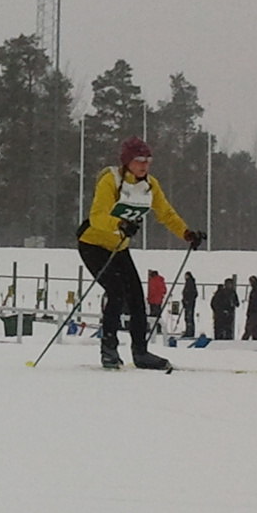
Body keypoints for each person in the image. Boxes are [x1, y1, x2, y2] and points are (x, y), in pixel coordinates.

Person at [77, 136, 205, 369]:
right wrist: (120, 224)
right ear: (127, 161)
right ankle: (109, 350)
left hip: (119, 247)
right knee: (116, 292)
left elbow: (165, 213)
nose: (144, 165)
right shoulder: (110, 180)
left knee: (136, 298)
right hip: (93, 244)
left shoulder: (150, 185)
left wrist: (186, 233)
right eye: (139, 160)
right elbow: (97, 217)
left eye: (148, 160)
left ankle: (140, 352)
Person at [241, 275, 257, 340]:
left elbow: (254, 301)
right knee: (254, 328)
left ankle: (245, 340)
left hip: (254, 312)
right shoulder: (254, 290)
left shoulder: (256, 291)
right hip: (253, 311)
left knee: (250, 328)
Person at [181, 271, 198, 338]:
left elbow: (193, 293)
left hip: (189, 303)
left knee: (189, 317)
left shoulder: (190, 283)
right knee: (188, 317)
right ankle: (189, 331)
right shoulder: (189, 283)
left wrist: (188, 300)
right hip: (188, 303)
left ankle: (189, 332)